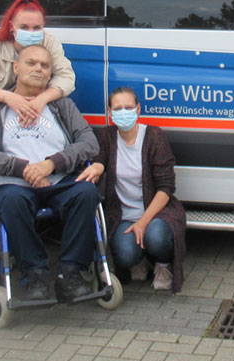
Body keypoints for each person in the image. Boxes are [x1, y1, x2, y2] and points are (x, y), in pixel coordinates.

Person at [0, 45, 100, 303]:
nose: (39, 69)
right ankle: (35, 274)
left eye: (45, 65)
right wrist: (23, 168)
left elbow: (89, 143)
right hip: (16, 183)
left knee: (86, 193)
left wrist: (52, 164)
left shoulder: (61, 105)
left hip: (59, 179)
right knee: (10, 202)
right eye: (32, 63)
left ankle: (71, 273)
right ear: (16, 68)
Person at [77, 87, 186, 293]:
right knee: (125, 254)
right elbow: (98, 159)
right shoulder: (106, 136)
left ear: (138, 109)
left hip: (156, 213)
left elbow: (166, 187)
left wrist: (143, 222)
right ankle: (139, 259)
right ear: (110, 113)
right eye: (118, 108)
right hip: (123, 216)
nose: (123, 112)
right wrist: (98, 166)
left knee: (157, 237)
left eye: (128, 107)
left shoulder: (155, 136)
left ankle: (163, 265)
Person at [0, 0, 75, 138]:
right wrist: (8, 98)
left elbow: (66, 77)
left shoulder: (50, 42)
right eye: (24, 27)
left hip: (38, 123)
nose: (31, 32)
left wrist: (42, 99)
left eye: (37, 28)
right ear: (11, 26)